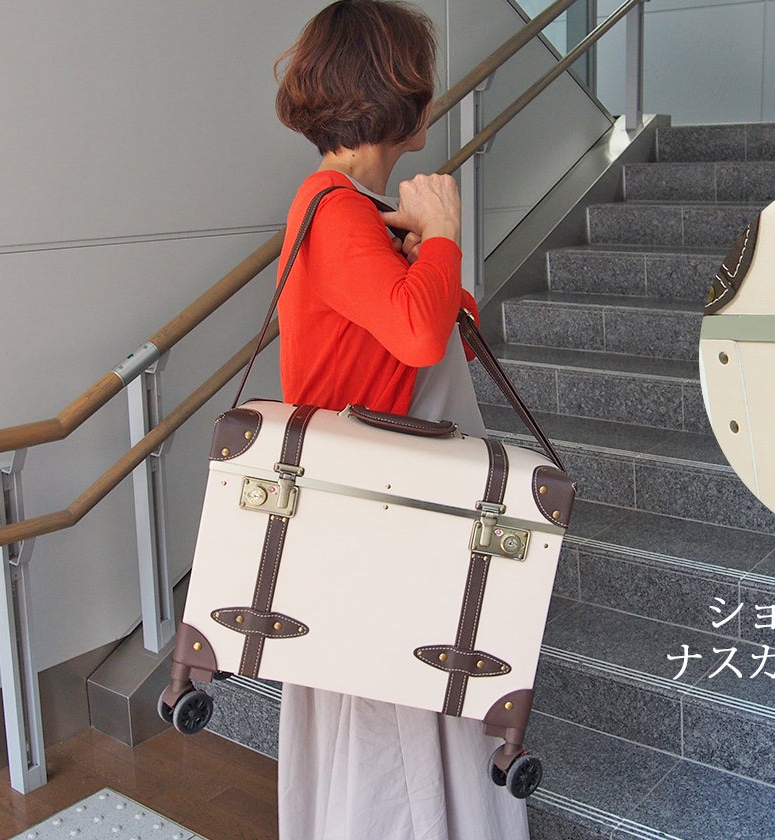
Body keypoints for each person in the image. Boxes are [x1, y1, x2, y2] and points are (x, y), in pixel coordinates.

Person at [271, 2, 530, 838]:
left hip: (382, 498)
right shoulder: (337, 208)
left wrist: (429, 256)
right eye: (423, 76)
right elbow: (421, 333)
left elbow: (443, 326)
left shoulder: (352, 206)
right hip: (380, 505)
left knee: (400, 701)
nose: (433, 93)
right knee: (399, 708)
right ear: (395, 92)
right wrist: (445, 232)